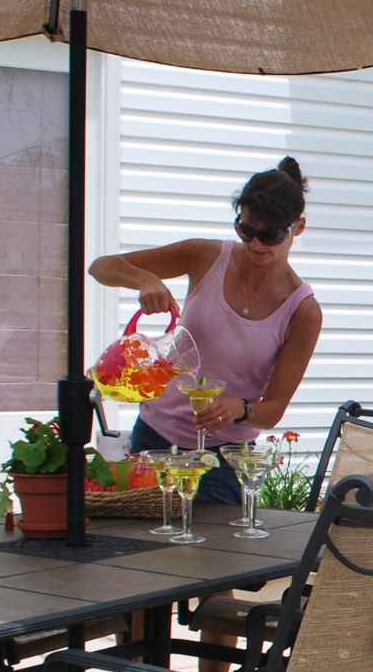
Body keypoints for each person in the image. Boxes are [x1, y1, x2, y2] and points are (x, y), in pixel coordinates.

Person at [89, 157, 323, 502]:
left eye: (271, 235)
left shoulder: (302, 311)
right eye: (246, 231)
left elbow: (273, 409)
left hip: (222, 459)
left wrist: (239, 409)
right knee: (138, 549)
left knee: (212, 555)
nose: (257, 245)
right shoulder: (206, 256)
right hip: (154, 440)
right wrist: (145, 279)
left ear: (298, 228)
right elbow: (101, 267)